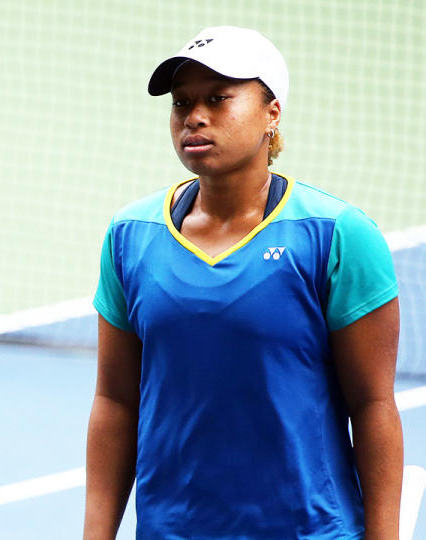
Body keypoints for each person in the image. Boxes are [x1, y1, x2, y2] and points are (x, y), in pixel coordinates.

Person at [83, 26, 403, 539]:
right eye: (182, 102)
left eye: (218, 99)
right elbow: (116, 402)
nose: (194, 117)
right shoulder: (130, 237)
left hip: (308, 530)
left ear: (271, 113)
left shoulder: (336, 235)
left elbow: (374, 406)